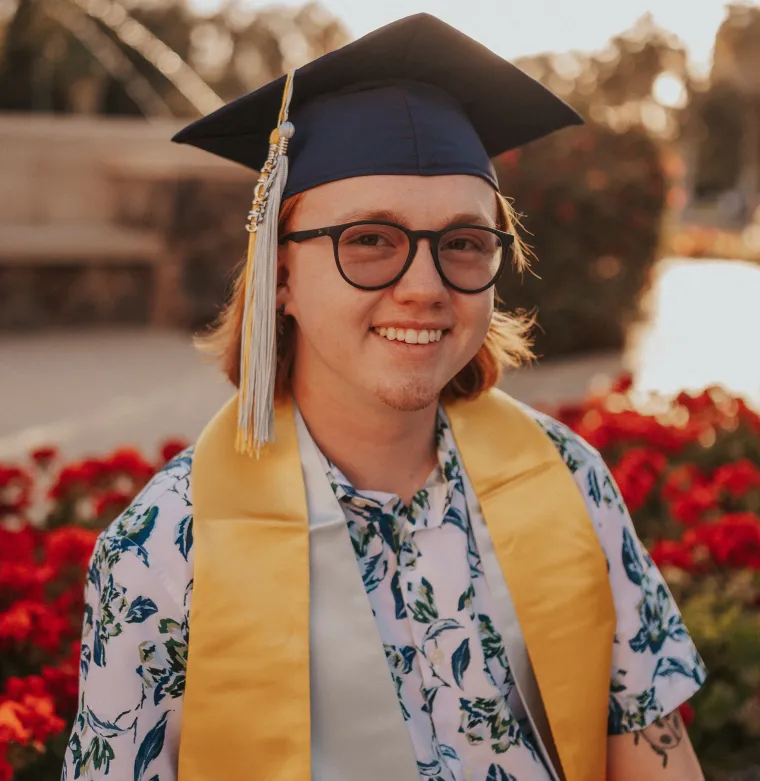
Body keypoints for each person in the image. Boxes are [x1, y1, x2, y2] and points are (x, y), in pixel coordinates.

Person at [61, 13, 707, 781]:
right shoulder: (164, 549)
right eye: (370, 239)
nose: (426, 287)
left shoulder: (569, 481)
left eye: (464, 242)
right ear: (280, 274)